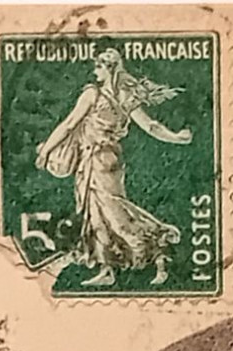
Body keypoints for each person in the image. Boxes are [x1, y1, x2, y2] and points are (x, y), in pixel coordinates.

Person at [36, 48, 193, 287]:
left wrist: (46, 150)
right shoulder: (125, 97)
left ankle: (160, 252)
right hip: (99, 161)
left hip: (100, 161)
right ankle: (107, 268)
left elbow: (69, 125)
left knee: (116, 215)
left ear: (109, 68)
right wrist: (177, 137)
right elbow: (151, 126)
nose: (94, 71)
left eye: (98, 66)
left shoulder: (93, 94)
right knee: (96, 216)